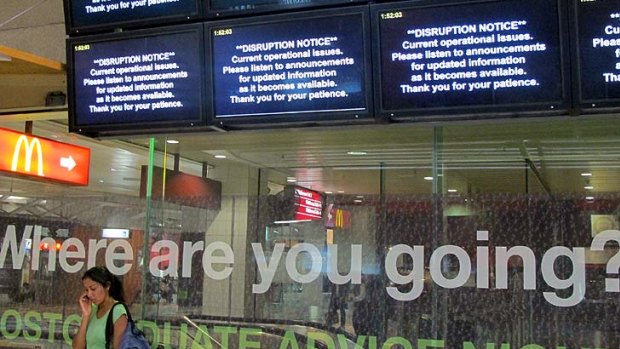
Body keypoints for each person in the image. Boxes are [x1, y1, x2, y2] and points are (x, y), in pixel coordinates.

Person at [72, 266, 128, 349]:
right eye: (87, 290)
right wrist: (86, 315)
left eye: (93, 289)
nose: (89, 295)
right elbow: (77, 347)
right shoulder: (92, 309)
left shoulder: (118, 311)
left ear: (107, 286)